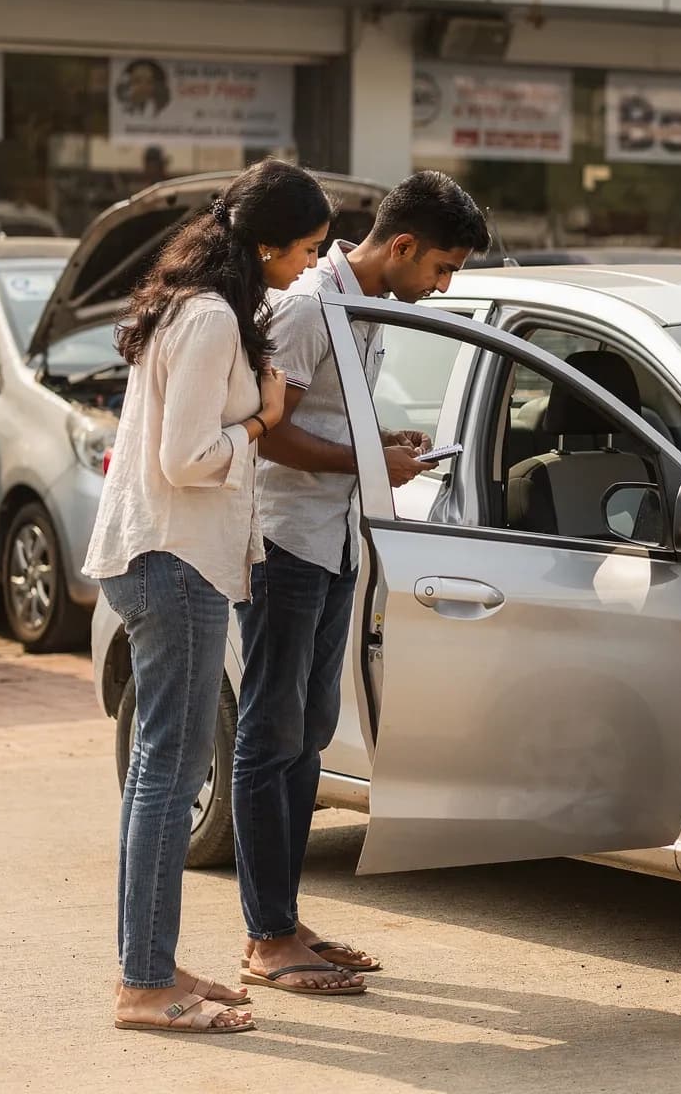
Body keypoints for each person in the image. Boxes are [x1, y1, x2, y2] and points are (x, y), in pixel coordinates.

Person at [84, 158, 334, 1033]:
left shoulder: (199, 309)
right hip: (172, 560)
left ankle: (150, 965)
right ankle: (145, 986)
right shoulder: (207, 319)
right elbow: (186, 459)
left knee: (162, 774)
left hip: (170, 558)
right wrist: (264, 420)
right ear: (264, 243)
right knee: (169, 778)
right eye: (304, 249)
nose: (308, 265)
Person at [233, 170, 490, 995]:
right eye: (442, 270)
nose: (442, 287)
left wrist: (384, 439)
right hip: (285, 543)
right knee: (269, 738)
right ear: (404, 246)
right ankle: (266, 937)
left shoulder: (361, 308)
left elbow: (323, 421)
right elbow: (270, 438)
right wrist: (373, 457)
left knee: (308, 731)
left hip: (334, 540)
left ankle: (284, 921)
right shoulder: (311, 305)